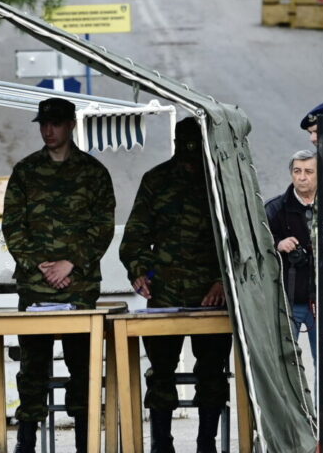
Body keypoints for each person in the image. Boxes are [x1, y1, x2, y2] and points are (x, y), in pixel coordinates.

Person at [2, 97, 116, 453]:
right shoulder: (25, 171)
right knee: (32, 370)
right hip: (36, 288)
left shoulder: (93, 172)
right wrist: (41, 266)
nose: (48, 130)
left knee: (82, 368)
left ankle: (85, 441)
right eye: (43, 124)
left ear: (70, 125)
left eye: (55, 124)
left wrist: (71, 264)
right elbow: (12, 226)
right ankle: (26, 442)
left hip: (78, 289)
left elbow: (103, 226)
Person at [119, 117, 230, 453]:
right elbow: (135, 235)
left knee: (212, 373)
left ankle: (206, 443)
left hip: (211, 296)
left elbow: (240, 241)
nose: (190, 159)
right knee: (161, 373)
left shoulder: (222, 182)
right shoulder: (157, 180)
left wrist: (222, 282)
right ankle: (161, 444)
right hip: (164, 292)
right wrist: (139, 271)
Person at [265, 149, 318, 365]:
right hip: (288, 301)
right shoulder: (275, 209)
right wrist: (278, 244)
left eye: (308, 171)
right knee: (286, 365)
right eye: (297, 171)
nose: (302, 177)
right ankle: (294, 401)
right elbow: (255, 244)